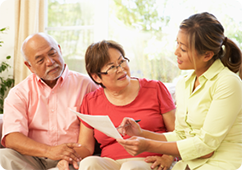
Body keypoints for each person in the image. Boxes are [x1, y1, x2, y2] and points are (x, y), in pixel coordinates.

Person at [117, 12, 242, 170]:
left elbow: (206, 147)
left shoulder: (228, 83)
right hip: (188, 165)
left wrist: (148, 145)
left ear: (207, 55)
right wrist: (141, 133)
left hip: (223, 164)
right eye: (177, 44)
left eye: (183, 49)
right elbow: (181, 135)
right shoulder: (183, 83)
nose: (176, 52)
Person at [56, 40, 176, 170]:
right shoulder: (90, 101)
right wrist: (68, 157)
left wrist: (168, 157)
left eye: (122, 61)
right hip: (110, 161)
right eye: (112, 67)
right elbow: (86, 147)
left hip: (148, 160)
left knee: (130, 167)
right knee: (89, 163)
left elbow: (177, 133)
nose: (121, 69)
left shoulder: (155, 88)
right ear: (96, 77)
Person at [0, 32, 98, 170]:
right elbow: (12, 138)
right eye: (40, 60)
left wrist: (67, 157)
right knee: (2, 157)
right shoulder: (19, 93)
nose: (50, 62)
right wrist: (49, 151)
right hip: (33, 158)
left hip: (73, 158)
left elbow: (90, 141)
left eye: (52, 54)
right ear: (29, 66)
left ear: (59, 49)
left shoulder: (87, 85)